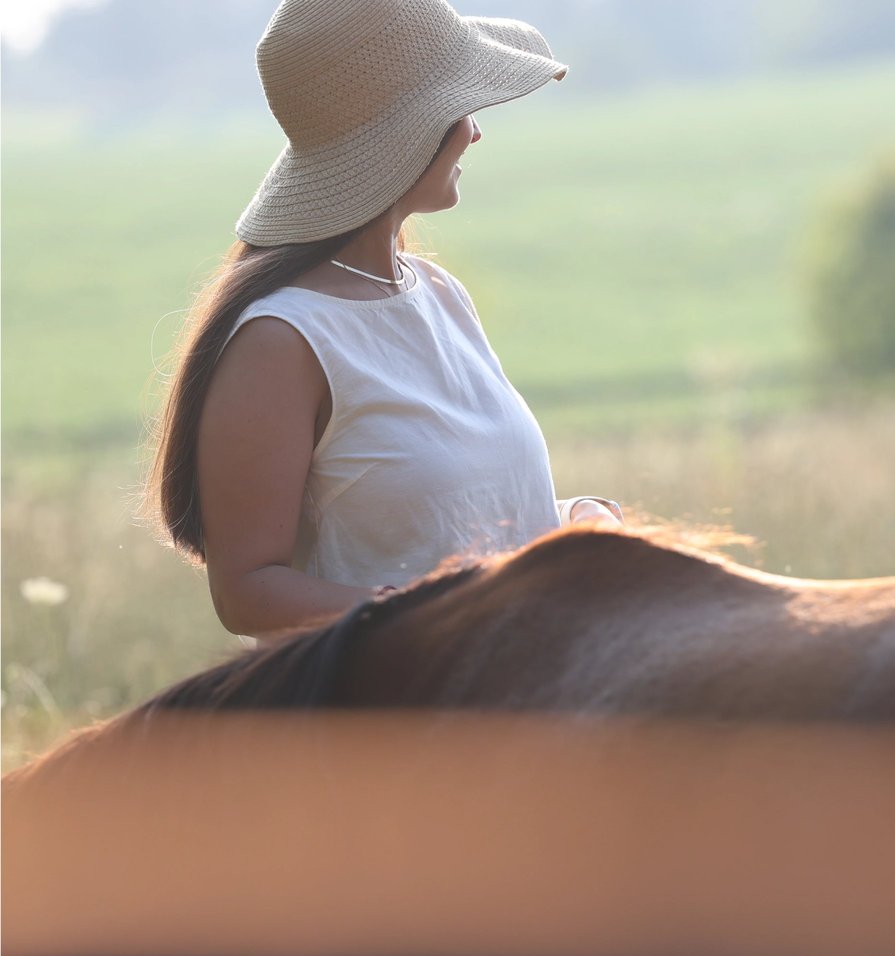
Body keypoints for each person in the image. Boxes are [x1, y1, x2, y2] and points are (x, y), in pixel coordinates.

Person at [143, 0, 618, 639]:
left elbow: (450, 524)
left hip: (505, 679)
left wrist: (574, 521)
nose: (475, 132)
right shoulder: (281, 341)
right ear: (407, 133)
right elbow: (247, 592)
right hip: (393, 696)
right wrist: (433, 617)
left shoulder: (439, 293)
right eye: (460, 108)